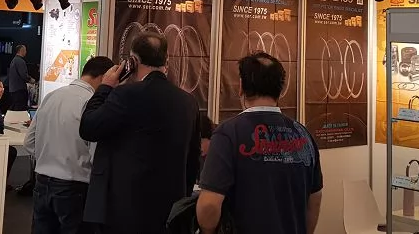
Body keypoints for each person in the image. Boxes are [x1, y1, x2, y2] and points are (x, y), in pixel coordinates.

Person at [80, 32, 201, 234]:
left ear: (133, 62)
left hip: (126, 209)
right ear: (166, 60)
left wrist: (104, 88)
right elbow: (193, 158)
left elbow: (89, 127)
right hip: (171, 208)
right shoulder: (188, 102)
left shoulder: (125, 95)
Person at [197, 52, 323, 234]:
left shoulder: (228, 133)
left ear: (241, 87)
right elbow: (314, 200)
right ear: (280, 90)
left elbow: (209, 206)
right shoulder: (303, 134)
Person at [26, 56, 115, 234]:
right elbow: (95, 153)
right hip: (74, 187)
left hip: (41, 183)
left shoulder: (51, 96)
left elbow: (29, 142)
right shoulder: (92, 104)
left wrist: (49, 158)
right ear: (103, 77)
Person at [8, 45, 35, 111]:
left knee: (15, 107)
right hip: (19, 90)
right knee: (20, 109)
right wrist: (32, 80)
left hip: (13, 89)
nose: (26, 52)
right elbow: (24, 75)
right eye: (25, 50)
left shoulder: (14, 60)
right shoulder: (20, 61)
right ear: (21, 51)